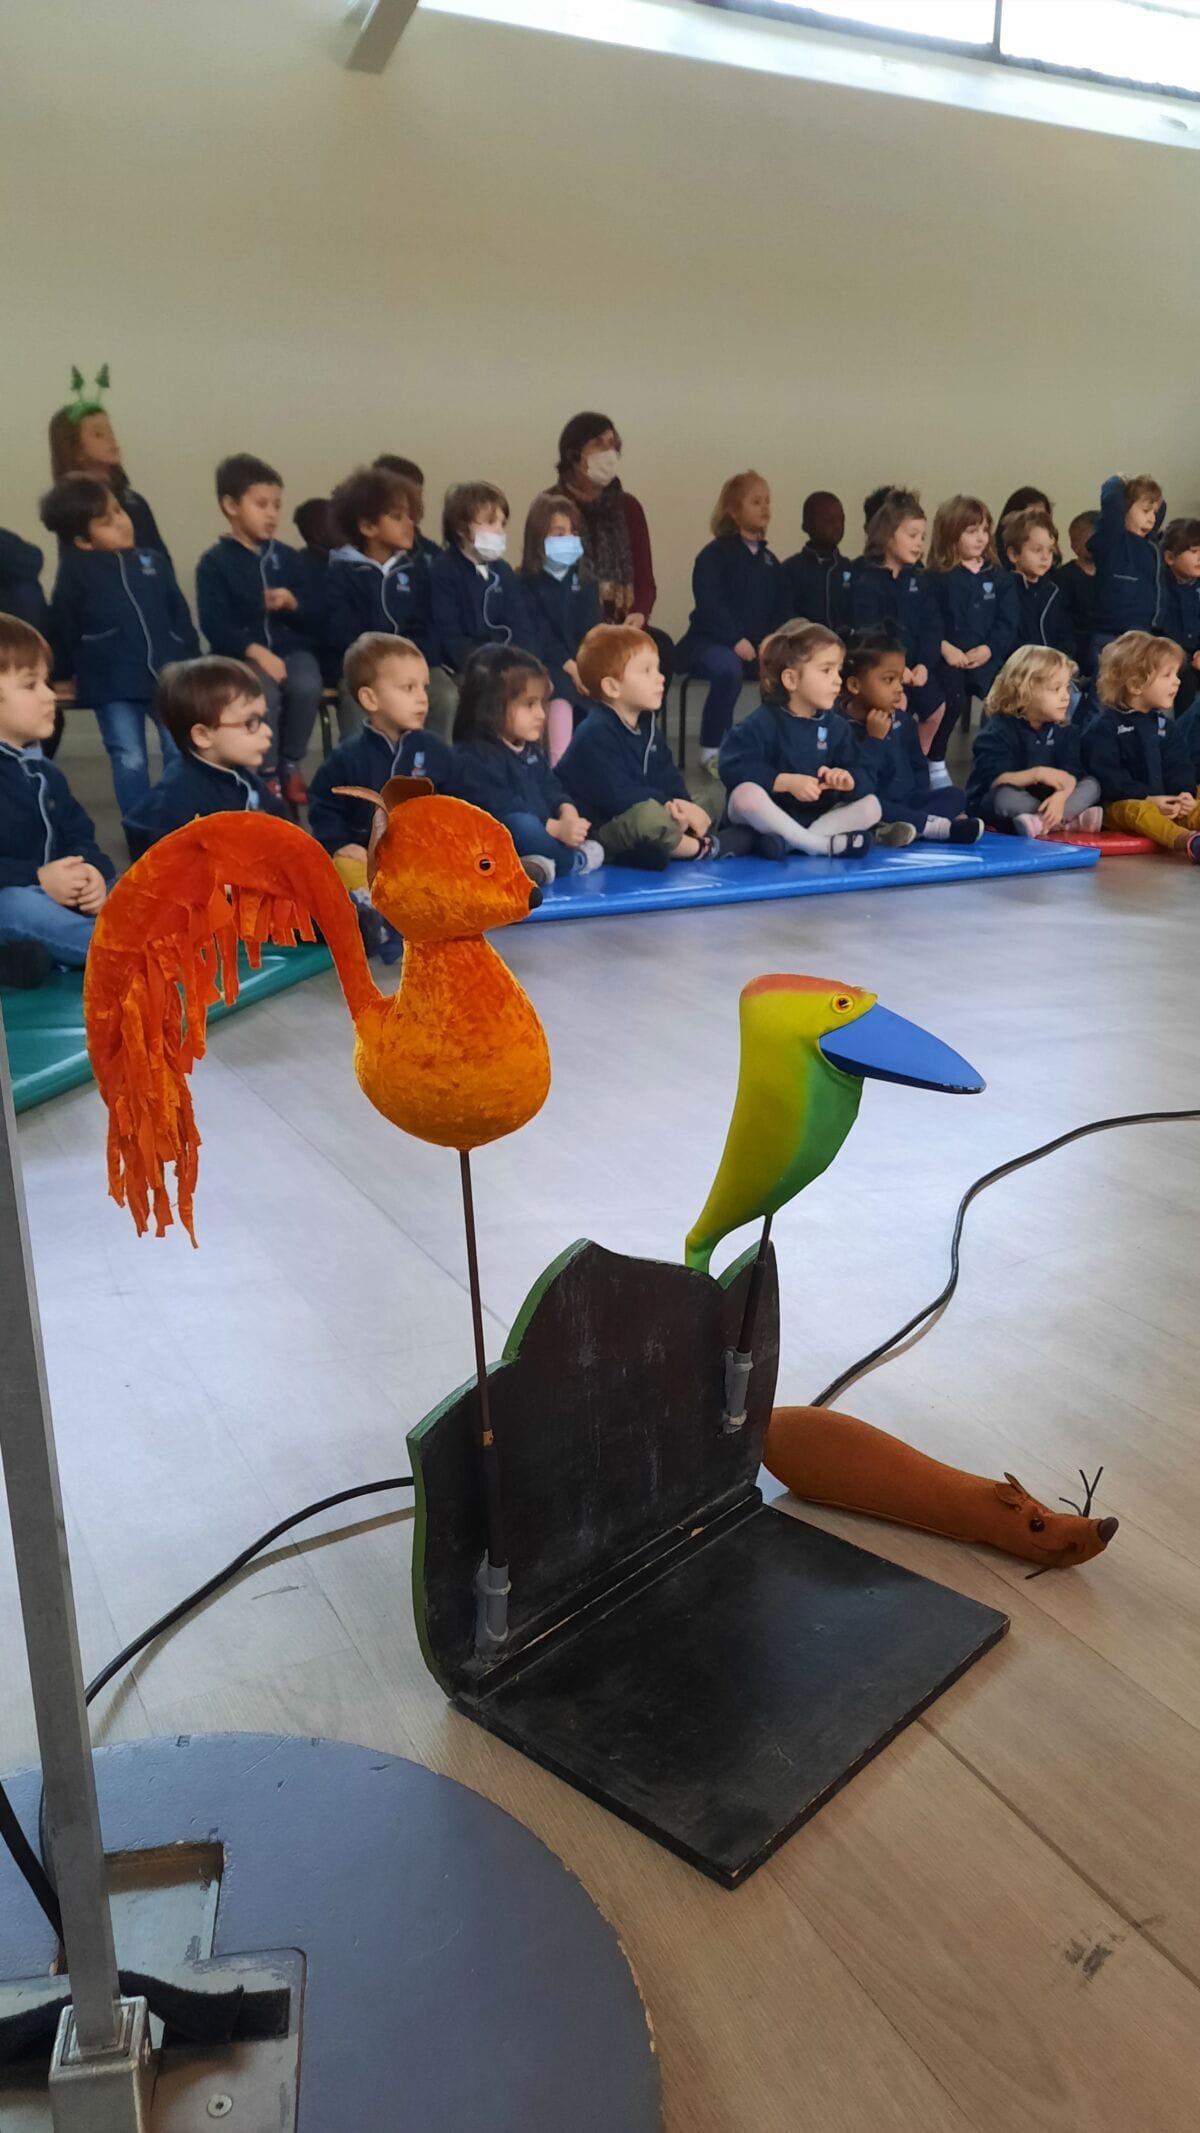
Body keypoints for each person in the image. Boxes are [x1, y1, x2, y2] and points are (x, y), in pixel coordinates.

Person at [41, 474, 198, 819]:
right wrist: (61, 673)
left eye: (118, 511)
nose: (121, 522)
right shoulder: (76, 571)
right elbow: (64, 624)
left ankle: (177, 822)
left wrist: (191, 661)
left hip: (167, 677)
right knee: (130, 756)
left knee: (179, 751)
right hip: (111, 680)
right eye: (106, 521)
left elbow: (179, 614)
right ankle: (140, 826)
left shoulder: (153, 561)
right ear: (82, 540)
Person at [308, 632, 455, 960]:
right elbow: (324, 805)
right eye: (408, 688)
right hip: (367, 859)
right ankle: (373, 917)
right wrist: (338, 842)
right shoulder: (347, 757)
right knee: (344, 866)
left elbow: (455, 801)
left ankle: (410, 916)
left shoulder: (435, 751)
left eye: (424, 687)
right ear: (370, 700)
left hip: (418, 857)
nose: (422, 699)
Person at [559, 623, 750, 867]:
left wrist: (685, 804)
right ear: (612, 687)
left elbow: (668, 774)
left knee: (714, 797)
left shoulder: (646, 724)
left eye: (658, 669)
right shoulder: (594, 732)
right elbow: (619, 796)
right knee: (648, 817)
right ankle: (704, 847)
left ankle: (674, 842)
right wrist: (672, 807)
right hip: (605, 826)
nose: (660, 678)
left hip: (658, 811)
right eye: (646, 671)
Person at [196, 453, 323, 807]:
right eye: (261, 504)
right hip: (242, 656)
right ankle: (265, 772)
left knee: (307, 683)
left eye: (277, 506)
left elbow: (315, 614)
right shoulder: (214, 563)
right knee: (260, 690)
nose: (271, 514)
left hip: (291, 650)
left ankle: (290, 763)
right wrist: (256, 651)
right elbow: (215, 624)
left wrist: (293, 603)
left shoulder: (288, 557)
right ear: (230, 506)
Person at [0, 613, 114, 969]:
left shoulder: (45, 772)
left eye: (47, 683)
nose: (51, 696)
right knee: (18, 905)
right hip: (17, 901)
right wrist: (37, 879)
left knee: (126, 884)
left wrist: (90, 874)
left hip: (58, 901)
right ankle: (125, 951)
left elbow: (80, 836)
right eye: (31, 685)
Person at [717, 621, 880, 858]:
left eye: (838, 670)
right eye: (826, 670)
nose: (837, 680)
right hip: (766, 814)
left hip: (812, 818)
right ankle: (820, 846)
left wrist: (848, 780)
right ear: (791, 680)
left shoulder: (837, 728)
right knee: (745, 795)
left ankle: (792, 842)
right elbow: (733, 768)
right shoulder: (761, 723)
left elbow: (865, 772)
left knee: (872, 805)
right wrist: (783, 782)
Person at [452, 643, 603, 884]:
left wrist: (568, 813)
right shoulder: (471, 757)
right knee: (522, 825)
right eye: (529, 705)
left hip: (543, 833)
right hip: (494, 844)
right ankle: (573, 862)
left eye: (542, 704)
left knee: (579, 807)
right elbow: (503, 810)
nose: (542, 715)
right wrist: (555, 829)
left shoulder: (529, 749)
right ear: (491, 706)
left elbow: (551, 787)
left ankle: (534, 866)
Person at [122, 656, 287, 858]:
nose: (267, 731)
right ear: (203, 735)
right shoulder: (174, 801)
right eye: (251, 723)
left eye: (263, 719)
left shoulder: (244, 779)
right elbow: (151, 851)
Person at [679, 471, 790, 767]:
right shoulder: (714, 556)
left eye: (767, 501)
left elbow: (780, 610)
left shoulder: (771, 563)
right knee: (728, 670)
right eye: (756, 501)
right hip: (710, 642)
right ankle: (712, 751)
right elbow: (710, 604)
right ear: (733, 509)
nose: (765, 508)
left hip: (756, 646)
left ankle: (775, 748)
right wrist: (734, 638)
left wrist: (770, 641)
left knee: (787, 673)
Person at [554, 412, 674, 685]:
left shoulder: (628, 508)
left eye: (614, 444)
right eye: (600, 444)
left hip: (621, 625)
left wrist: (639, 614)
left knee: (662, 648)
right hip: (571, 628)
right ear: (574, 455)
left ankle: (639, 727)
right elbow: (543, 578)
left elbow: (645, 582)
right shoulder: (553, 507)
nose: (610, 452)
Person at [841, 630, 982, 845]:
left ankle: (903, 827)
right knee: (869, 805)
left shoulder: (904, 720)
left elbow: (918, 766)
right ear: (854, 685)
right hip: (872, 803)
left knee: (955, 795)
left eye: (900, 679)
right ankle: (934, 827)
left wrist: (921, 795)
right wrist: (874, 740)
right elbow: (857, 788)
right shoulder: (839, 727)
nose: (899, 689)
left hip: (908, 802)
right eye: (889, 680)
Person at [843, 489, 945, 765]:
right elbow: (871, 632)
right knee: (897, 706)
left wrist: (924, 663)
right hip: (884, 669)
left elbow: (931, 625)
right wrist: (898, 671)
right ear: (888, 536)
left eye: (922, 537)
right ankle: (888, 764)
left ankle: (919, 761)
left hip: (914, 669)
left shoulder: (920, 580)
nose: (919, 543)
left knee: (937, 707)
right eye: (911, 536)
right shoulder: (867, 580)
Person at [1083, 630, 1200, 858]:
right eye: (1167, 675)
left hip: (1169, 801)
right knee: (1137, 811)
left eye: (1176, 674)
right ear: (1135, 685)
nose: (1177, 681)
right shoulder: (1103, 728)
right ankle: (1188, 841)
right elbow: (1110, 777)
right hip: (1123, 805)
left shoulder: (1164, 725)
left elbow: (1179, 765)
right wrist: (1148, 798)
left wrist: (1184, 793)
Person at [967, 646, 1101, 837]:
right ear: (1024, 691)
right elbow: (996, 779)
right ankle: (1065, 820)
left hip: (1050, 798)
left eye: (1067, 687)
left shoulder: (1065, 730)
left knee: (1092, 785)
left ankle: (1042, 821)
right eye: (1056, 689)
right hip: (1008, 797)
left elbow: (1072, 775)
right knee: (1003, 798)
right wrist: (1038, 774)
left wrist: (1061, 797)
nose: (1066, 697)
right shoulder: (997, 731)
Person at [926, 495, 1018, 761]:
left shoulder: (998, 577)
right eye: (971, 531)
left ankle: (993, 758)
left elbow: (1006, 622)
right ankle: (935, 759)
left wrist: (989, 649)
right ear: (951, 534)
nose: (981, 538)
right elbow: (930, 620)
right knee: (949, 702)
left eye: (984, 530)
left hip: (985, 656)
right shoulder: (936, 577)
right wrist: (945, 649)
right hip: (949, 658)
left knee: (1001, 701)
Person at [516, 491, 601, 762]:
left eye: (572, 532)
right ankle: (558, 765)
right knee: (560, 690)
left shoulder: (586, 581)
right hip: (542, 662)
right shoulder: (523, 582)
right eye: (558, 533)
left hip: (582, 663)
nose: (568, 539)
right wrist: (570, 665)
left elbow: (592, 631)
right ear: (538, 538)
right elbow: (537, 635)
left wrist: (586, 667)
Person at [47, 370, 169, 557]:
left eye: (110, 430)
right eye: (98, 434)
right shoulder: (74, 510)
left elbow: (160, 560)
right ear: (76, 450)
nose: (111, 439)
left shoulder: (135, 502)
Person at [429, 482, 528, 675]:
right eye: (491, 522)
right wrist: (489, 667)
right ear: (461, 528)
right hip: (466, 669)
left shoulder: (503, 571)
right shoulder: (444, 571)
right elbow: (450, 636)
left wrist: (525, 664)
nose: (500, 531)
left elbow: (521, 626)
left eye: (502, 523)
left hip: (507, 665)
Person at [1090, 473, 1165, 659]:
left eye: (1154, 513)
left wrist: (1146, 490)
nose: (1152, 519)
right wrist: (1118, 481)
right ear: (1124, 510)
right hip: (1112, 636)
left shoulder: (1150, 545)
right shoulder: (1113, 541)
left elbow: (1162, 507)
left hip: (1144, 636)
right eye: (1145, 511)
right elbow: (1111, 505)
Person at [1000, 507, 1078, 661]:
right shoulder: (1004, 590)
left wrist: (1063, 658)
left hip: (1052, 669)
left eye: (1050, 551)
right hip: (1019, 670)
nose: (1045, 557)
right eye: (1037, 550)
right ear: (1013, 554)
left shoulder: (1053, 591)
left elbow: (1065, 633)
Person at [292, 496, 342, 686]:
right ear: (317, 530)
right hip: (322, 656)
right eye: (336, 522)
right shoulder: (301, 566)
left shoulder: (346, 563)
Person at [1154, 517, 1200, 712]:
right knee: (1185, 681)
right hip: (1171, 656)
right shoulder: (1158, 586)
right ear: (1170, 558)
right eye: (1194, 552)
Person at [783, 492, 847, 629]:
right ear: (806, 525)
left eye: (841, 520)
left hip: (846, 647)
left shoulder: (849, 568)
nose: (837, 526)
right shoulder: (790, 569)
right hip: (805, 645)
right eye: (828, 520)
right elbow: (786, 615)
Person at [373, 455, 441, 566]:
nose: (418, 504)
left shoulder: (430, 555)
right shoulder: (344, 562)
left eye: (419, 495)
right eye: (411, 496)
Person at [1056, 511, 1099, 665]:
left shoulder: (1110, 575)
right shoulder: (1064, 576)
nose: (1092, 544)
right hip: (1076, 649)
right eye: (1083, 538)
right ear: (1073, 545)